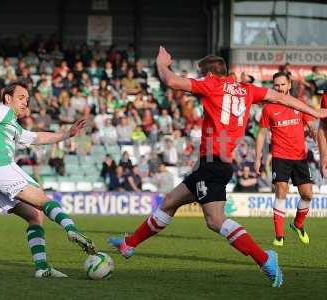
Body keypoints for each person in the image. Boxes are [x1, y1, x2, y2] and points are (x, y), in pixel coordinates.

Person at [109, 47, 327, 288]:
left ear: (212, 73)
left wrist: (162, 63)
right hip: (211, 162)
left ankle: (266, 259)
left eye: (202, 73)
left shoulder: (211, 85)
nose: (200, 78)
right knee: (170, 201)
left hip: (214, 163)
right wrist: (314, 111)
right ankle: (129, 244)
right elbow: (282, 98)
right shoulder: (247, 90)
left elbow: (170, 80)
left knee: (215, 220)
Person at [0, 80, 97, 279]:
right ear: (8, 98)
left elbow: (38, 137)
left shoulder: (12, 125)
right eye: (21, 98)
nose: (25, 103)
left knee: (35, 216)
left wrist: (67, 134)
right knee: (44, 200)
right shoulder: (1, 111)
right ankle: (72, 230)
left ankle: (42, 267)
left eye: (27, 100)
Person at [255, 72, 316, 247]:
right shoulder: (268, 108)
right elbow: (261, 134)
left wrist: (316, 136)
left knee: (307, 195)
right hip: (280, 156)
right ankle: (279, 236)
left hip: (300, 157)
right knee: (281, 191)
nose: (279, 88)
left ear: (289, 85)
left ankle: (297, 224)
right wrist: (258, 158)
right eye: (276, 85)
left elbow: (312, 126)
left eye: (282, 84)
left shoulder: (299, 105)